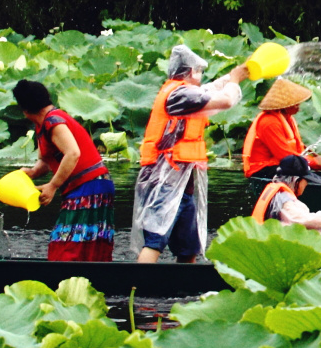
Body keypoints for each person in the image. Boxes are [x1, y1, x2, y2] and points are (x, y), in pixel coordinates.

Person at [136, 45, 248, 264]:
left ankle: (185, 291)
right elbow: (225, 101)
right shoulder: (179, 93)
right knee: (155, 241)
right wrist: (234, 80)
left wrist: (236, 75)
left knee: (189, 247)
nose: (200, 74)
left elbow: (210, 90)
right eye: (197, 69)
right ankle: (137, 289)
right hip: (164, 184)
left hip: (181, 188)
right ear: (188, 71)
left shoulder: (185, 93)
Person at [13, 80, 115, 261]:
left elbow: (73, 153)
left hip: (91, 185)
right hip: (87, 186)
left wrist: (52, 186)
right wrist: (32, 172)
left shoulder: (54, 121)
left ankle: (71, 281)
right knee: (78, 244)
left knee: (67, 247)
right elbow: (45, 160)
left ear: (25, 111)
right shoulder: (42, 125)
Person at [241, 78, 321, 181]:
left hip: (284, 165)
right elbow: (285, 157)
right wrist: (314, 162)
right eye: (296, 104)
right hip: (262, 169)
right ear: (286, 105)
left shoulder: (288, 119)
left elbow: (298, 153)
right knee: (319, 179)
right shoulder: (269, 123)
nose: (299, 107)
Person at [250, 156, 321, 235]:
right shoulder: (285, 201)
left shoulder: (277, 194)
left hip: (274, 237)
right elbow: (302, 220)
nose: (306, 185)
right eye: (305, 181)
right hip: (281, 245)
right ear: (295, 180)